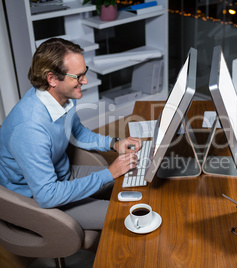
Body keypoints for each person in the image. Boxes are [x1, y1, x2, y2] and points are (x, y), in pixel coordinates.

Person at [0, 38, 141, 230]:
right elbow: (47, 195)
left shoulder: (63, 99)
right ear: (51, 79)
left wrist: (114, 144)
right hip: (35, 199)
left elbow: (77, 132)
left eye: (84, 73)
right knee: (130, 215)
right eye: (78, 76)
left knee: (135, 178)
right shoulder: (29, 129)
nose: (84, 81)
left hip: (63, 177)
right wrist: (109, 173)